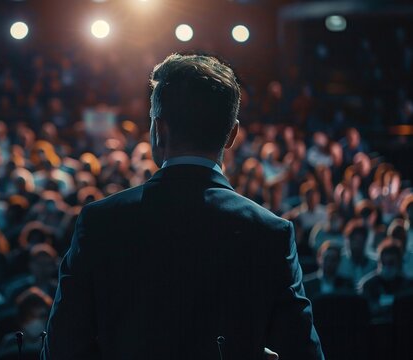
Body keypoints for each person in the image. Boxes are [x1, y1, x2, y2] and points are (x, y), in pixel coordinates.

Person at [43, 54, 323, 359]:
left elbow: (62, 348)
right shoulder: (270, 233)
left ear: (159, 129)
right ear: (231, 135)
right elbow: (302, 352)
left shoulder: (100, 222)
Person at [358, 238, 413, 322]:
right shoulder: (368, 285)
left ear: (399, 263)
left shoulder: (408, 285)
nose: (386, 267)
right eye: (383, 263)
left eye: (391, 263)